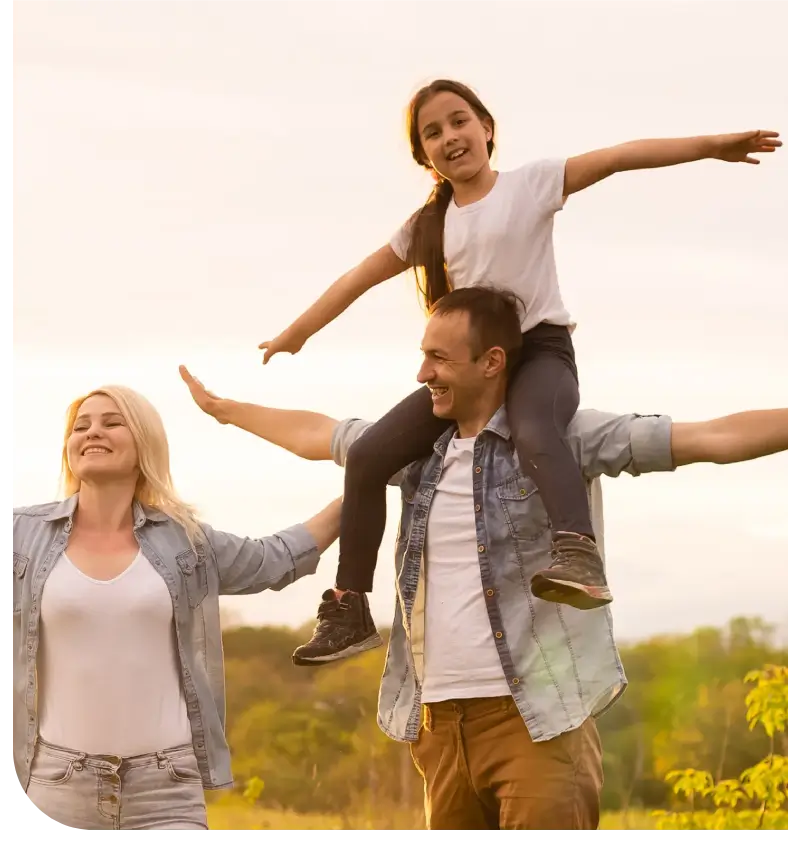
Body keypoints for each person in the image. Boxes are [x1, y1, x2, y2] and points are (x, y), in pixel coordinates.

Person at [181, 285, 787, 831]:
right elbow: (319, 434)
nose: (423, 374)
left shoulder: (564, 438)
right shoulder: (416, 454)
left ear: (492, 361)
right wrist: (228, 411)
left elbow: (710, 438)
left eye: (440, 359)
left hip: (536, 723)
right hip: (439, 725)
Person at [256, 77, 782, 665]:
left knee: (535, 430)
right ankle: (350, 605)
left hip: (539, 353)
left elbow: (617, 158)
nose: (450, 136)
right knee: (370, 453)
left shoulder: (531, 185)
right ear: (423, 155)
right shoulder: (427, 226)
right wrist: (297, 333)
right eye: (433, 132)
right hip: (470, 368)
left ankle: (577, 553)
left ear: (486, 129)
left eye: (460, 121)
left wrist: (710, 145)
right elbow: (358, 277)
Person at [10, 384, 342, 831]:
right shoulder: (21, 537)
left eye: (112, 422)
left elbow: (275, 559)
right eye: (80, 426)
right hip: (56, 786)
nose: (92, 432)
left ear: (144, 442)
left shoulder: (186, 542)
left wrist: (363, 484)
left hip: (165, 789)